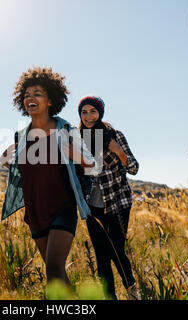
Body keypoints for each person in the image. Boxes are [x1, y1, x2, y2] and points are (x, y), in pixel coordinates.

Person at [0, 67, 99, 291]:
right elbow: (14, 165)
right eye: (26, 95)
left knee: (53, 270)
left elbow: (93, 164)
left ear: (50, 100)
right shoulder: (21, 137)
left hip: (62, 208)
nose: (30, 98)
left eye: (37, 93)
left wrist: (78, 156)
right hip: (35, 212)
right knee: (58, 274)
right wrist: (6, 159)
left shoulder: (65, 130)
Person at [77, 95, 140, 300]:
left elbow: (134, 168)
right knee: (101, 257)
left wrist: (119, 151)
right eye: (84, 112)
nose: (88, 116)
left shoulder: (114, 135)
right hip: (92, 207)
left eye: (92, 111)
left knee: (116, 250)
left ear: (100, 113)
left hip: (117, 202)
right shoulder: (77, 140)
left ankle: (131, 289)